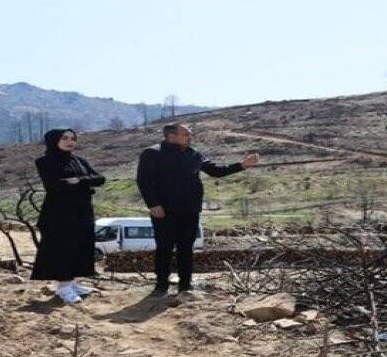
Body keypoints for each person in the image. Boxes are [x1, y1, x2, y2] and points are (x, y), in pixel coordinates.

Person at [136, 124, 258, 295]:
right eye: (185, 134)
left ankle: (185, 285)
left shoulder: (193, 154)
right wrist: (153, 204)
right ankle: (161, 285)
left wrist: (242, 165)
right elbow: (144, 181)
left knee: (186, 247)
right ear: (171, 136)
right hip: (164, 211)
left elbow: (216, 171)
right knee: (164, 247)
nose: (189, 137)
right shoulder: (152, 153)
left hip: (190, 210)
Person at [30, 128, 106, 304]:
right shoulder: (44, 161)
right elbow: (56, 186)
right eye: (64, 138)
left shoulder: (79, 160)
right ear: (54, 140)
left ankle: (72, 283)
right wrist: (87, 185)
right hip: (59, 213)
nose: (70, 141)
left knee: (80, 247)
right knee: (61, 248)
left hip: (82, 211)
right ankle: (63, 287)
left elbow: (100, 179)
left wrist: (79, 181)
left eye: (73, 138)